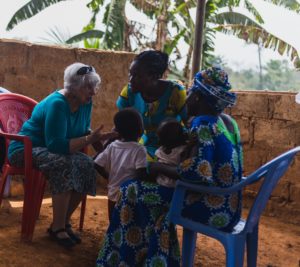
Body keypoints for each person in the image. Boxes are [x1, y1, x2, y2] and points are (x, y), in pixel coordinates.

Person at [96, 67, 243, 266]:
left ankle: (122, 258)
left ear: (198, 98)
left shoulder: (202, 124)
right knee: (151, 200)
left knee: (129, 190)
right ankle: (155, 260)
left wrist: (159, 169)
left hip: (209, 206)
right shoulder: (226, 122)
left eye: (190, 93)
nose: (187, 98)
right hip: (229, 204)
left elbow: (199, 172)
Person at [8, 63, 114, 248]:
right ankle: (58, 228)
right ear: (75, 86)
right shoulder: (58, 104)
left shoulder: (85, 103)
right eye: (88, 87)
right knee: (62, 163)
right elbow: (56, 145)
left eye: (94, 87)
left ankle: (61, 223)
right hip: (25, 149)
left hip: (50, 150)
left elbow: (83, 131)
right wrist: (90, 138)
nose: (93, 92)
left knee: (89, 165)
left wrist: (100, 142)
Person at [116, 50, 187, 161]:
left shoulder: (175, 92)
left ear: (155, 76)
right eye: (130, 74)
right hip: (144, 145)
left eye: (137, 76)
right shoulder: (128, 93)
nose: (131, 80)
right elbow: (121, 126)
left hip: (171, 149)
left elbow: (188, 124)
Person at [94, 108, 147, 221]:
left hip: (113, 193)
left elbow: (97, 163)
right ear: (140, 130)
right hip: (130, 196)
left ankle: (112, 239)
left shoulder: (112, 146)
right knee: (128, 224)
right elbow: (141, 174)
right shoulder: (139, 149)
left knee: (113, 223)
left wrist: (108, 176)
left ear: (117, 130)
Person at [154, 119, 187, 187]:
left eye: (161, 136)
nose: (158, 139)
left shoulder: (182, 150)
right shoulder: (159, 151)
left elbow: (183, 170)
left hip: (175, 187)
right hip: (159, 184)